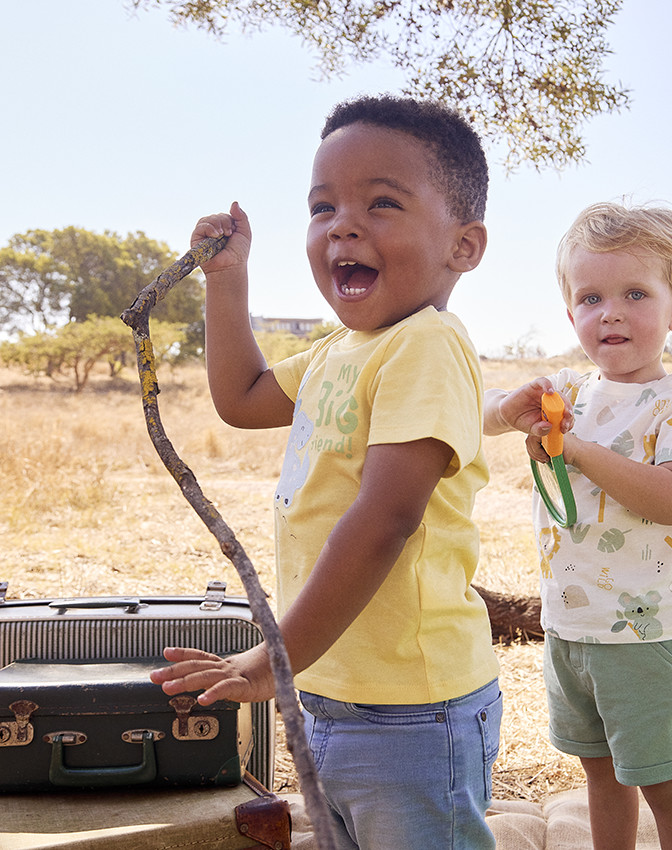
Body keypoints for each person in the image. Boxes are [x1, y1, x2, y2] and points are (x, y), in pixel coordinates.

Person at [150, 95, 502, 850]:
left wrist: (269, 657)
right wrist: (227, 279)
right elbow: (241, 400)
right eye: (323, 206)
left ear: (463, 245)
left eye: (382, 202)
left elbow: (384, 522)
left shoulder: (428, 345)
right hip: (334, 689)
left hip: (413, 705)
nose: (343, 223)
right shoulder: (340, 349)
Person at [483, 202, 672, 850]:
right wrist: (508, 414)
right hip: (569, 625)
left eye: (634, 293)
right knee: (599, 772)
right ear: (572, 315)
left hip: (642, 634)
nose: (610, 312)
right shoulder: (567, 391)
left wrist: (578, 451)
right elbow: (480, 418)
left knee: (664, 780)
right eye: (591, 297)